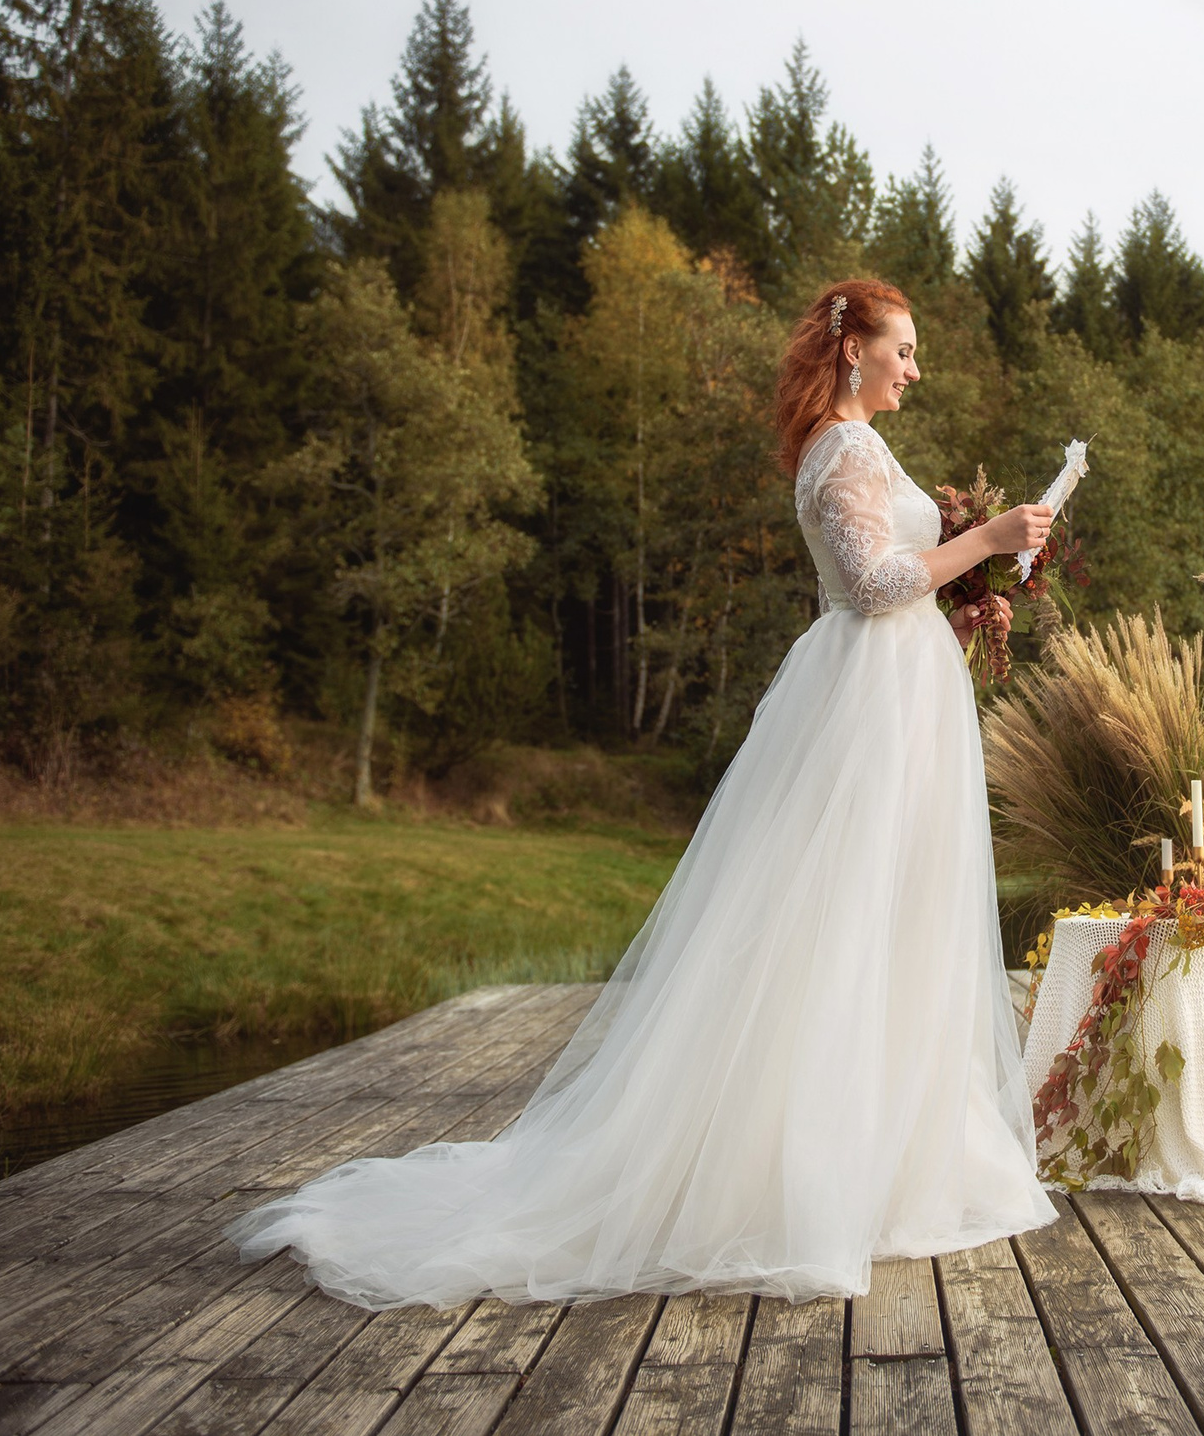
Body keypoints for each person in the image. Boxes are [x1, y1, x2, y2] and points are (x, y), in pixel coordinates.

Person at [225, 279, 1060, 1307]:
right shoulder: (838, 449)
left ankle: (892, 1157)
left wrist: (969, 603)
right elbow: (866, 585)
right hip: (862, 709)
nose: (915, 367)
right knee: (837, 916)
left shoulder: (866, 446)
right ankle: (803, 1169)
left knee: (899, 917)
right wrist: (982, 543)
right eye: (905, 349)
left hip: (907, 696)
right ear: (854, 353)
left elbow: (904, 580)